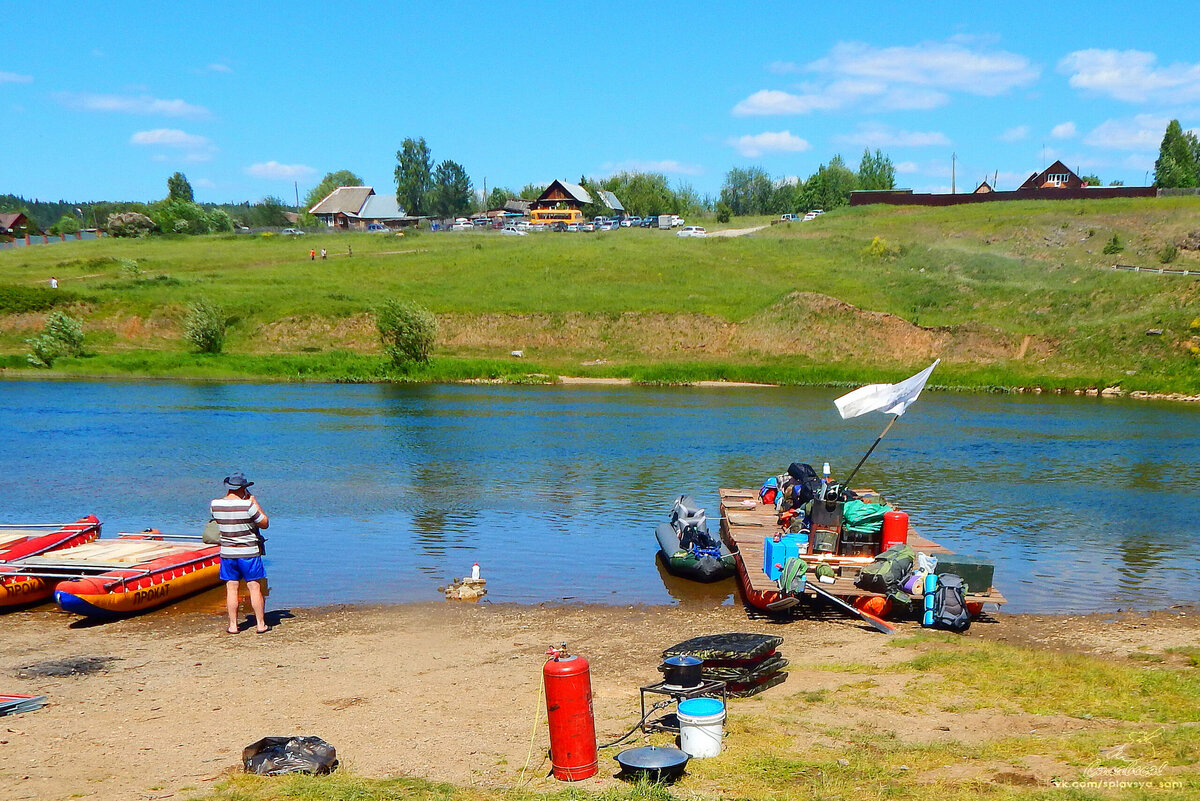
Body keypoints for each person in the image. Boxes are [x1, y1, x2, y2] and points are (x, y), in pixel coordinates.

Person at [212, 471, 271, 634]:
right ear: (243, 488)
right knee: (254, 587)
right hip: (249, 553)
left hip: (227, 552)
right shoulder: (248, 505)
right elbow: (264, 523)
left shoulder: (215, 504)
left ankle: (233, 626)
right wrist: (254, 502)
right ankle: (260, 624)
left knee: (231, 588)